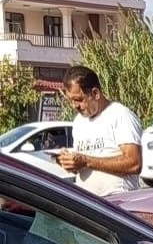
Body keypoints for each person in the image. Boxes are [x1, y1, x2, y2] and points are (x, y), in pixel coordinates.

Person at [57, 66, 142, 195]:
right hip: (88, 202)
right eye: (71, 100)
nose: (75, 106)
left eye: (79, 99)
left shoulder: (120, 115)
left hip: (117, 200)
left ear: (95, 93)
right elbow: (84, 166)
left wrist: (86, 161)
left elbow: (134, 163)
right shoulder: (79, 121)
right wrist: (70, 163)